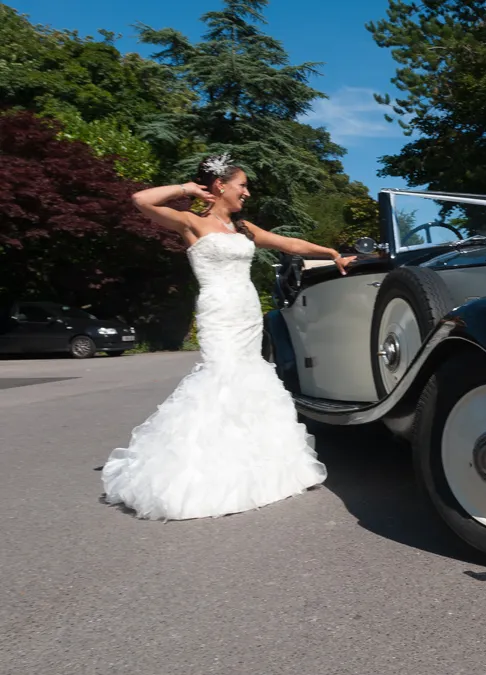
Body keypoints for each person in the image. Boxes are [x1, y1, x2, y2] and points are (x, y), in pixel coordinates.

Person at [101, 153, 354, 521]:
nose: (247, 193)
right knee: (220, 376)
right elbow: (141, 200)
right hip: (219, 312)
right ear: (221, 186)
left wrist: (331, 253)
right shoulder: (190, 223)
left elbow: (289, 244)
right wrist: (187, 189)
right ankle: (202, 472)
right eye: (242, 185)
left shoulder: (244, 229)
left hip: (247, 311)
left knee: (250, 377)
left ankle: (256, 465)